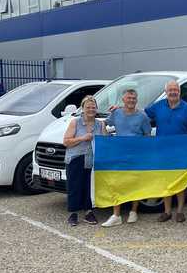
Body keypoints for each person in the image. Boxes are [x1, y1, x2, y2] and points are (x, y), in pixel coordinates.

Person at [146, 80, 187, 223]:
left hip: (181, 152)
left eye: (175, 90)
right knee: (165, 181)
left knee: (180, 182)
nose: (173, 92)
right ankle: (167, 212)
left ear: (179, 92)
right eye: (170, 90)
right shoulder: (158, 106)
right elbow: (140, 114)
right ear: (166, 92)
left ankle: (179, 211)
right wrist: (120, 109)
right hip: (162, 151)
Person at [101, 89, 151, 227]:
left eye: (134, 98)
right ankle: (116, 215)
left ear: (137, 100)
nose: (131, 100)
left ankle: (133, 212)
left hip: (137, 154)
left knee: (135, 183)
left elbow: (147, 136)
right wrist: (106, 140)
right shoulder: (116, 113)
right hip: (119, 153)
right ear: (123, 100)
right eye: (129, 98)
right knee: (117, 183)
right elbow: (104, 123)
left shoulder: (142, 116)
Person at [63, 96, 104, 227]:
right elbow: (66, 142)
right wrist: (82, 138)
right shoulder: (75, 122)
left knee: (89, 186)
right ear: (83, 108)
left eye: (93, 107)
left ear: (96, 109)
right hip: (76, 158)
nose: (91, 110)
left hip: (92, 160)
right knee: (75, 186)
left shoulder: (100, 124)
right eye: (88, 107)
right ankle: (73, 214)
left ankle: (88, 212)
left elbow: (104, 142)